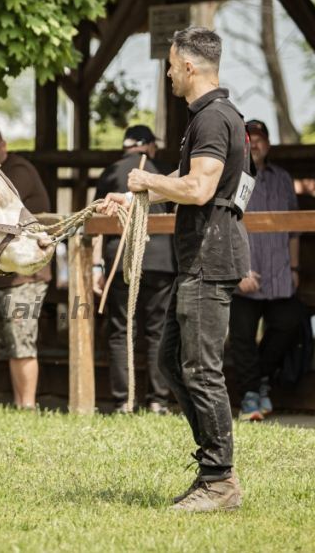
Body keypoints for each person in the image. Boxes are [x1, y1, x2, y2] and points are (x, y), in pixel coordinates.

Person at [98, 26, 250, 512]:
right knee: (170, 362)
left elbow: (201, 190)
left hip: (209, 259)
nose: (166, 73)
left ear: (188, 66)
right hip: (199, 259)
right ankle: (212, 468)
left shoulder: (212, 119)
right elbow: (197, 186)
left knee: (201, 370)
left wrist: (146, 177)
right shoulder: (215, 117)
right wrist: (141, 192)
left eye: (169, 64)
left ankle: (219, 481)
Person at [92, 125, 176, 415]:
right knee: (157, 331)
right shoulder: (166, 171)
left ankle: (124, 402)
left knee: (120, 330)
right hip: (163, 258)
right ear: (150, 146)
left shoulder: (111, 171)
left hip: (122, 256)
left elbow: (98, 218)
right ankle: (157, 402)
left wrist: (95, 266)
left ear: (126, 146)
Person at [0, 124, 51, 410]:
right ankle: (18, 404)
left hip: (25, 276)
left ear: (2, 145)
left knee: (22, 343)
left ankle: (27, 407)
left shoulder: (16, 171)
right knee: (5, 346)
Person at [229, 119, 301, 421]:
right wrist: (238, 269)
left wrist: (295, 267)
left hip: (279, 272)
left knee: (289, 323)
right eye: (250, 139)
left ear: (267, 145)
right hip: (245, 273)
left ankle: (260, 380)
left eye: (259, 139)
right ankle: (248, 396)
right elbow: (224, 225)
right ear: (242, 144)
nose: (255, 144)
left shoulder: (282, 178)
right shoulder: (232, 177)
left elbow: (295, 228)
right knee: (242, 337)